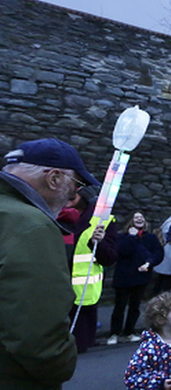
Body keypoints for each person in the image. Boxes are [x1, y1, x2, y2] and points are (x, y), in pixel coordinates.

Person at [1, 138, 98, 389]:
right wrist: (62, 365)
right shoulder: (32, 226)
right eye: (76, 185)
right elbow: (38, 337)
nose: (74, 195)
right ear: (54, 178)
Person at [67, 184, 120, 353]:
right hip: (52, 294)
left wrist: (99, 242)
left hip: (81, 295)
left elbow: (110, 258)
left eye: (73, 191)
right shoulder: (49, 213)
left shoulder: (102, 221)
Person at [108, 211, 164, 345]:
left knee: (135, 306)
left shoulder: (150, 237)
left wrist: (150, 263)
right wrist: (131, 237)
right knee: (120, 306)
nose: (139, 219)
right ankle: (114, 333)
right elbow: (122, 251)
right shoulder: (122, 237)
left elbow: (158, 253)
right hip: (124, 276)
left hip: (141, 276)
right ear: (131, 221)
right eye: (136, 217)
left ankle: (129, 332)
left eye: (141, 217)